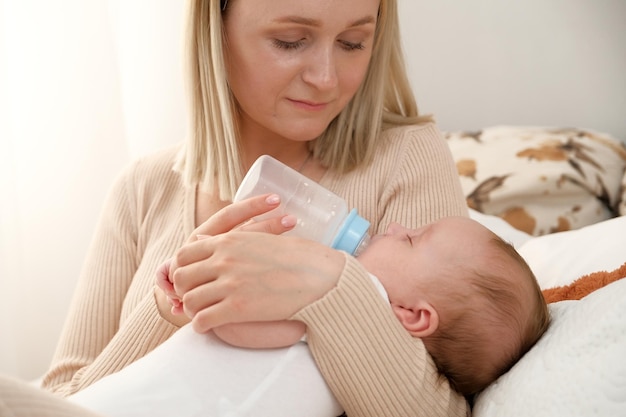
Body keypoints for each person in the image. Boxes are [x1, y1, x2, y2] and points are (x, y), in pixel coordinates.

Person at [2, 0, 473, 416]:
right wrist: (174, 301)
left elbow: (448, 408)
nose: (326, 78)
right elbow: (64, 396)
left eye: (353, 42)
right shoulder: (142, 189)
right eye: (290, 41)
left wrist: (331, 283)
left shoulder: (406, 158)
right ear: (216, 28)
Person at [59, 215, 548, 417]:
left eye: (413, 239)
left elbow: (231, 323)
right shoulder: (358, 340)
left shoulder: (356, 310)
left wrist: (193, 288)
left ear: (415, 316)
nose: (395, 226)